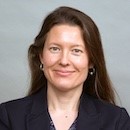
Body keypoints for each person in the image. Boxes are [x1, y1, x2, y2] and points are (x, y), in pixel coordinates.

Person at [0, 6, 130, 130]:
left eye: (76, 51)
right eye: (55, 49)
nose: (64, 61)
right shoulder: (8, 116)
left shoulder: (116, 121)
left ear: (91, 61)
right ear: (41, 56)